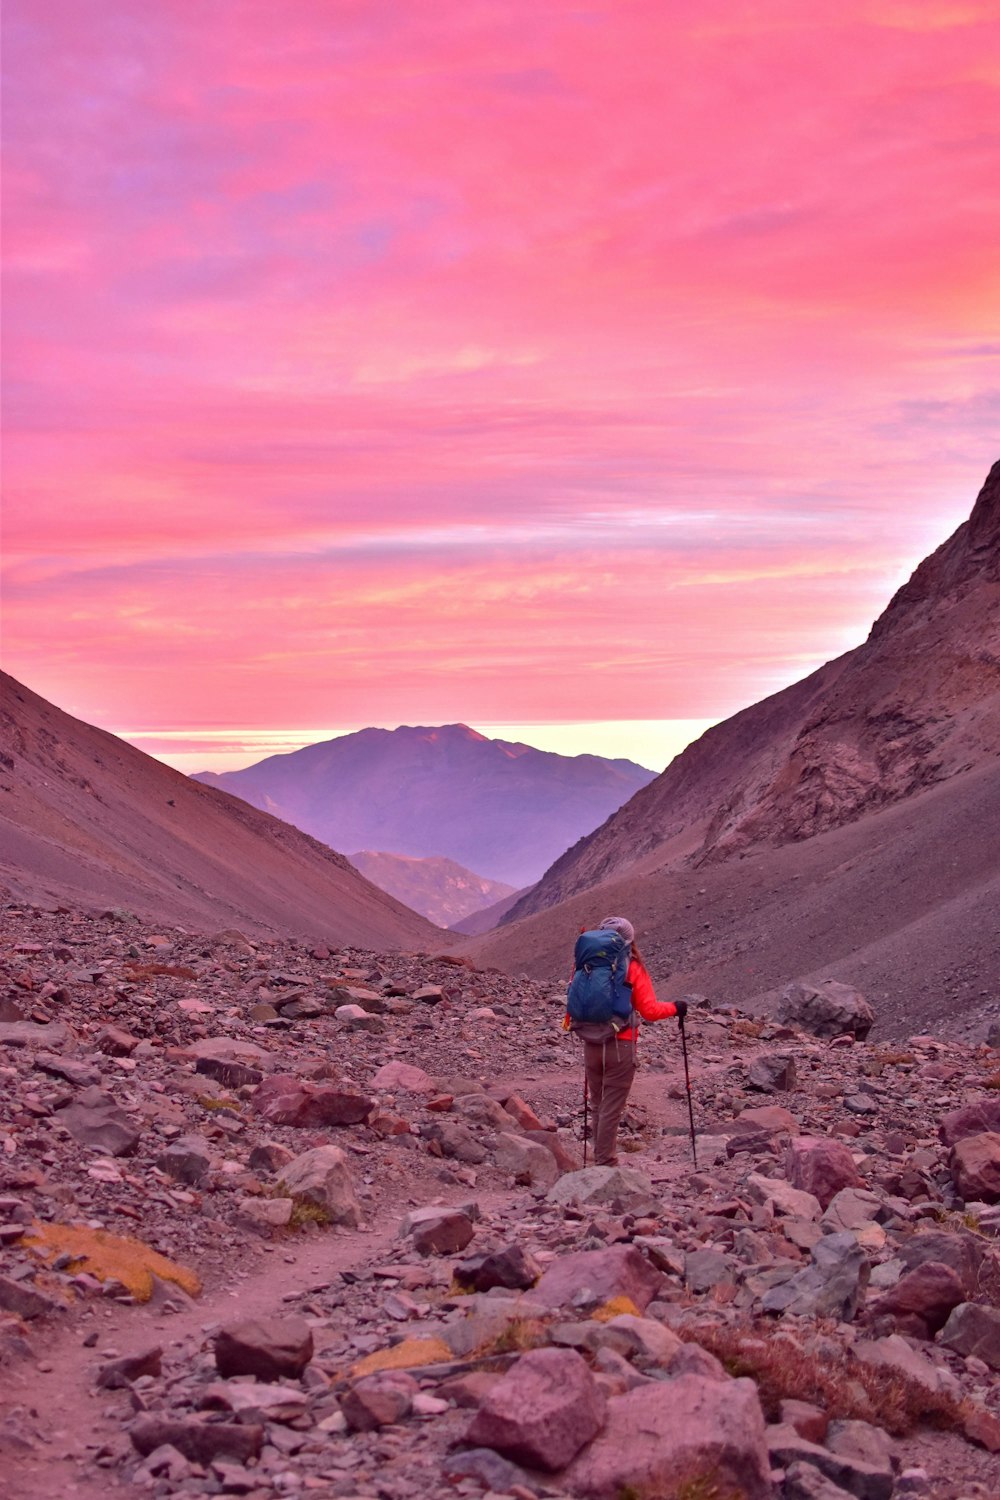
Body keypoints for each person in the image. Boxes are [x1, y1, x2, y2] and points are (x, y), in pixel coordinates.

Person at [581, 915, 687, 1166]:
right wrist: (676, 1008)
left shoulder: (586, 964)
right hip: (621, 1044)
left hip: (590, 1043)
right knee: (612, 1107)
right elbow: (649, 1010)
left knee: (597, 1104)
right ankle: (605, 1163)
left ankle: (599, 1159)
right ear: (629, 940)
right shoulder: (632, 967)